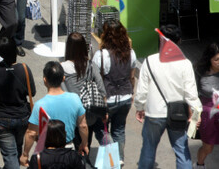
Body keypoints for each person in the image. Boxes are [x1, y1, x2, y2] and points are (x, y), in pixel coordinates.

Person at [135, 24, 202, 169]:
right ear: (179, 41)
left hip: (154, 113)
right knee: (182, 151)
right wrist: (196, 113)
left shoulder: (149, 60)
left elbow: (142, 90)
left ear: (161, 39)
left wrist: (139, 107)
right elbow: (191, 94)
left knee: (148, 149)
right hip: (178, 114)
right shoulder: (185, 63)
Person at [21, 62, 88, 166]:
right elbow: (83, 126)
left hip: (46, 153)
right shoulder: (75, 99)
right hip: (68, 150)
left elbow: (31, 133)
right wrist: (84, 144)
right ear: (63, 78)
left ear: (45, 80)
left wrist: (25, 154)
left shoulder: (40, 105)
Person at [0, 36, 36, 169]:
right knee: (17, 148)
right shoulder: (24, 69)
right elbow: (33, 92)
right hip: (22, 117)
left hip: (2, 120)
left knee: (10, 155)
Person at [92, 20, 136, 163]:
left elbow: (95, 79)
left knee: (101, 128)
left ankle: (111, 157)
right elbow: (132, 76)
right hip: (126, 96)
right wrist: (132, 94)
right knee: (119, 129)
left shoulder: (101, 55)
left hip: (108, 99)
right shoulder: (131, 53)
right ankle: (120, 158)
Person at [61, 32, 105, 150]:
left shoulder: (62, 68)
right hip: (89, 113)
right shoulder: (90, 65)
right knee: (86, 142)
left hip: (71, 115)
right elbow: (101, 89)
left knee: (76, 144)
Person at [194, 42, 219, 169]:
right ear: (209, 59)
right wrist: (194, 115)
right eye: (217, 59)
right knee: (208, 147)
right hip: (208, 114)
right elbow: (192, 95)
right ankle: (200, 165)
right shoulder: (200, 72)